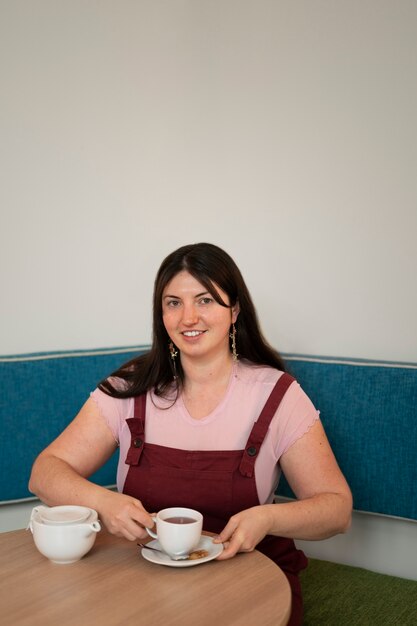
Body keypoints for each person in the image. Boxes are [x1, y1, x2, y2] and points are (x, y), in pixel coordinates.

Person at [29, 242, 352, 625]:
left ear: (233, 311)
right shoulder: (129, 389)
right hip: (143, 583)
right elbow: (45, 472)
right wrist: (106, 502)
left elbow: (336, 509)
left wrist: (267, 519)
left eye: (205, 301)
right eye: (173, 303)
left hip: (249, 581)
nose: (188, 318)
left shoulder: (277, 394)